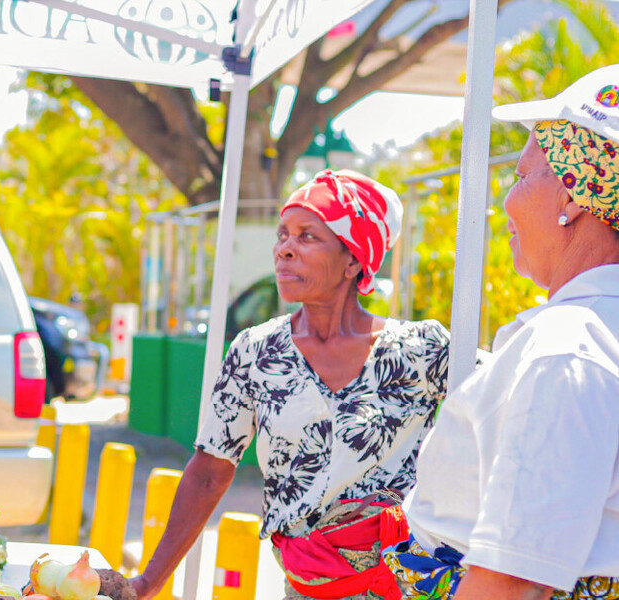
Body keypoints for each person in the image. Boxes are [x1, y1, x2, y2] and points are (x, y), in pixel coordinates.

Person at [123, 170, 452, 600]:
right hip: (306, 589)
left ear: (354, 259)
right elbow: (209, 472)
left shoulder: (421, 350)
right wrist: (148, 582)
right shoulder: (256, 352)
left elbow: (508, 410)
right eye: (282, 235)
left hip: (405, 588)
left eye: (307, 236)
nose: (284, 250)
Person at [386, 65, 619, 600]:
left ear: (574, 198)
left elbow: (513, 577)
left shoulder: (567, 352)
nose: (505, 205)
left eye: (520, 178)